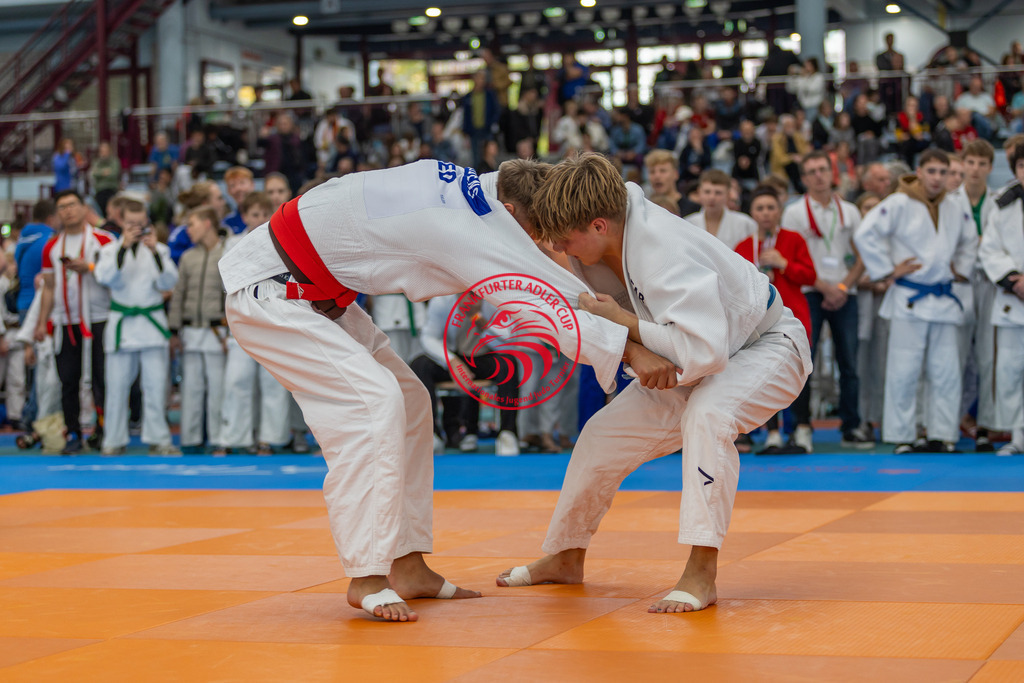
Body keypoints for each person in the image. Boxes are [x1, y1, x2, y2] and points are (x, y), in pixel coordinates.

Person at [218, 158, 652, 622]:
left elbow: (541, 281)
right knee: (373, 404)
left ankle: (407, 566)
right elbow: (539, 298)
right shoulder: (463, 222)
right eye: (534, 229)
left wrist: (633, 336)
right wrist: (635, 351)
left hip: (315, 294)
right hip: (270, 294)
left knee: (409, 401)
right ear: (510, 208)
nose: (535, 242)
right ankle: (366, 574)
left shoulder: (467, 190)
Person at [494, 153, 811, 614]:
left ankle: (701, 572)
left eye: (567, 237)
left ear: (599, 225)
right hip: (688, 354)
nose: (561, 246)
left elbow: (704, 353)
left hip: (768, 346)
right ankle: (566, 554)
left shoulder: (663, 251)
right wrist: (636, 348)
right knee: (601, 436)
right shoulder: (603, 235)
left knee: (709, 416)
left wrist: (627, 324)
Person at [854, 149, 977, 453]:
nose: (937, 178)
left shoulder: (954, 204)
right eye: (932, 171)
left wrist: (959, 269)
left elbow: (970, 239)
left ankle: (942, 434)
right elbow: (865, 234)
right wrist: (886, 270)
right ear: (919, 172)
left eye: (943, 172)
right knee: (903, 369)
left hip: (944, 297)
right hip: (909, 296)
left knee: (946, 371)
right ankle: (902, 436)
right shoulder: (898, 202)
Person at [782, 151, 873, 448]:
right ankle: (801, 427)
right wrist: (825, 287)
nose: (819, 175)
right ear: (804, 178)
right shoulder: (794, 213)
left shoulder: (850, 211)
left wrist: (844, 287)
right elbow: (791, 259)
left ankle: (851, 426)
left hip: (846, 292)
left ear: (832, 173)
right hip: (809, 293)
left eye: (823, 169)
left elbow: (863, 256)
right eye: (812, 171)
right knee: (804, 360)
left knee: (849, 361)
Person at [735, 186, 817, 453]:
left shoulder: (793, 240)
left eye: (771, 207)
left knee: (799, 371)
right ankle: (772, 433)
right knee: (764, 374)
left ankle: (803, 429)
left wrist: (784, 264)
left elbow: (810, 276)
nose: (766, 213)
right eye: (760, 208)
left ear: (779, 211)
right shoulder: (744, 246)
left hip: (794, 316)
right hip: (759, 322)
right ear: (752, 213)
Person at [93, 200, 179, 455]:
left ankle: (159, 438)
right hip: (123, 325)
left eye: (141, 224)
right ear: (121, 221)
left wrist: (153, 252)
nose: (137, 228)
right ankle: (114, 440)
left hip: (151, 324)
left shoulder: (160, 249)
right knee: (116, 386)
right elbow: (105, 278)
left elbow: (169, 281)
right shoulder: (110, 250)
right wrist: (124, 248)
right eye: (131, 223)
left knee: (155, 386)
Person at [34, 190, 115, 453]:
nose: (67, 211)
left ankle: (103, 431)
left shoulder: (104, 240)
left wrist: (89, 268)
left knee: (101, 379)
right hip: (65, 321)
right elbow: (48, 287)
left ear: (83, 208)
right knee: (68, 379)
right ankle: (73, 433)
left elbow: (115, 278)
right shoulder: (51, 246)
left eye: (71, 205)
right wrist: (41, 322)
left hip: (99, 318)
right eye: (62, 207)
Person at [218, 192, 292, 455]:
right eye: (254, 214)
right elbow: (228, 282)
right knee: (237, 379)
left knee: (273, 381)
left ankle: (270, 439)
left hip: (272, 318)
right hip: (242, 319)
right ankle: (235, 438)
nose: (259, 219)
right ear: (244, 216)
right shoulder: (233, 243)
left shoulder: (282, 242)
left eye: (263, 214)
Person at [168, 207, 230, 453]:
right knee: (191, 389)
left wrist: (232, 331)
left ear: (207, 223)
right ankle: (190, 440)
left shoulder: (228, 254)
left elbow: (232, 297)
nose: (188, 230)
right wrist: (173, 330)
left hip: (218, 332)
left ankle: (218, 439)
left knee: (218, 390)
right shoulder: (187, 257)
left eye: (191, 224)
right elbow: (179, 294)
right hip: (191, 331)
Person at [951, 140, 998, 451]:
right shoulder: (949, 202)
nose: (976, 169)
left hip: (992, 285)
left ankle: (986, 425)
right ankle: (948, 423)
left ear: (990, 168)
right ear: (963, 165)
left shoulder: (1000, 202)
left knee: (988, 357)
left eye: (983, 164)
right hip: (957, 283)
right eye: (972, 162)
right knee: (953, 358)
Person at [977, 142, 1024, 454]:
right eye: (1021, 167)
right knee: (1010, 372)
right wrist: (1014, 280)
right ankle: (1019, 437)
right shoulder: (1003, 205)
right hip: (1014, 300)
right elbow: (989, 249)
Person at [683, 169, 757, 249]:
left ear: (728, 195)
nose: (712, 197)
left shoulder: (746, 224)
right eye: (707, 192)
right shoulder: (688, 223)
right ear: (699, 192)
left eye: (718, 193)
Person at [643, 149, 699, 217]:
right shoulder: (643, 209)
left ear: (676, 174)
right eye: (652, 172)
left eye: (663, 171)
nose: (657, 176)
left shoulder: (693, 210)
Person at [90, 141, 122, 218]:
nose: (104, 153)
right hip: (99, 192)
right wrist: (105, 172)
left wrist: (100, 173)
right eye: (102, 151)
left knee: (112, 212)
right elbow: (94, 173)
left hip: (111, 191)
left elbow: (114, 173)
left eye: (106, 151)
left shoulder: (114, 161)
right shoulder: (96, 162)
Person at [222, 166, 255, 234]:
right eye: (232, 185)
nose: (238, 188)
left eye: (242, 183)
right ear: (228, 191)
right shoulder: (228, 222)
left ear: (252, 185)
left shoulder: (268, 214)